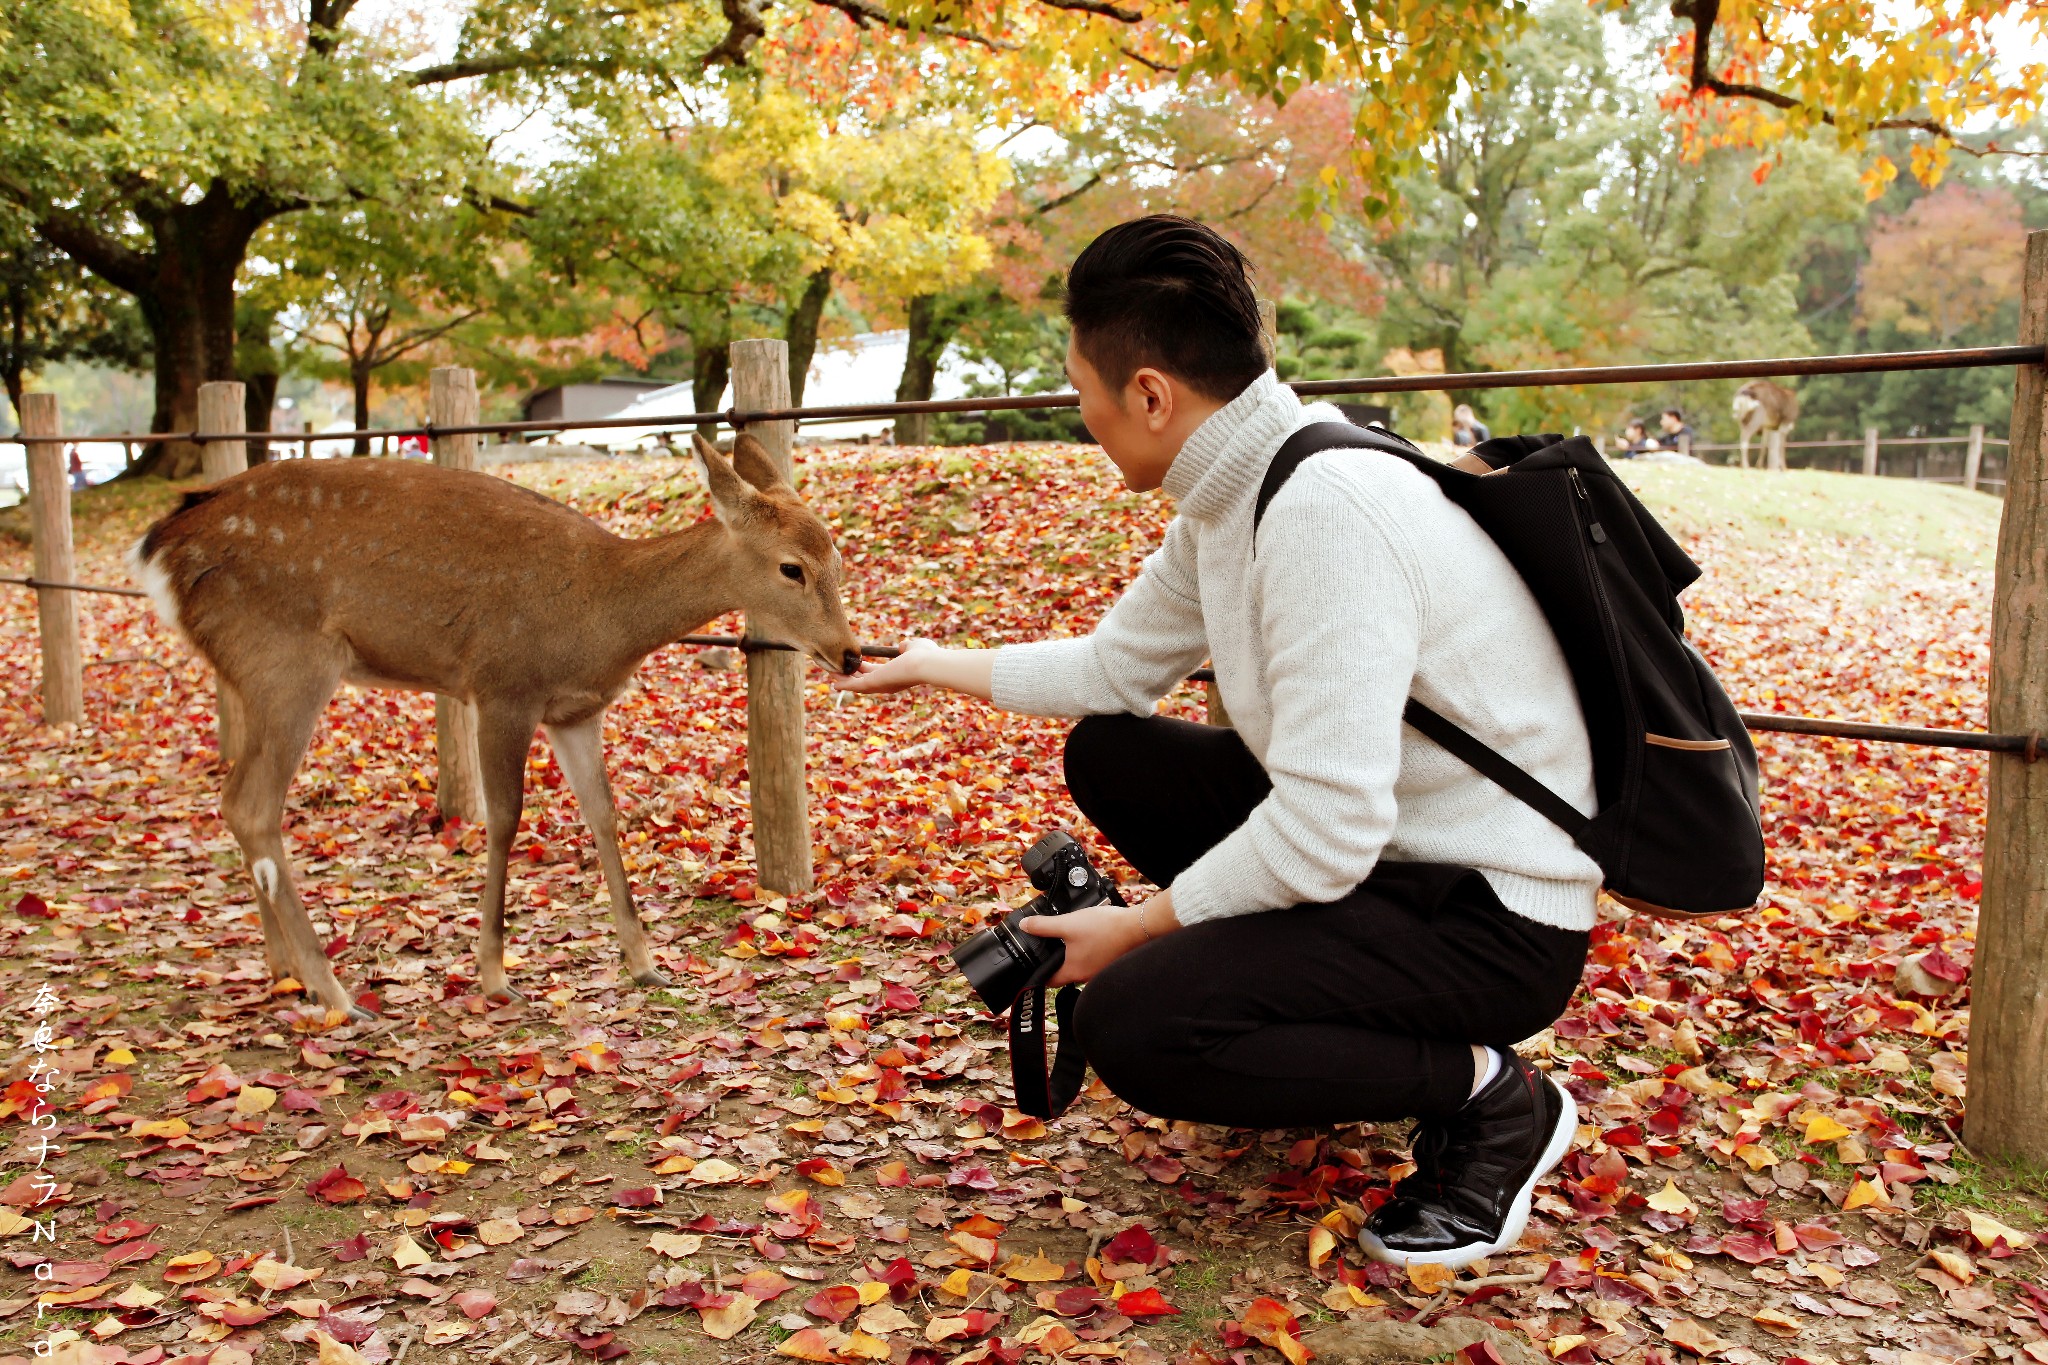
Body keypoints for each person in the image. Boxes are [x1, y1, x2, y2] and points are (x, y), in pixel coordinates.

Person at [832, 216, 1597, 1270]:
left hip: (1487, 914)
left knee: (1140, 1025)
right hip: (1394, 861)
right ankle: (1318, 1031)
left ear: (1148, 394)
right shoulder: (1230, 495)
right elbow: (1112, 672)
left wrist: (1139, 930)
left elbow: (1327, 829)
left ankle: (1494, 1104)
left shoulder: (1322, 512)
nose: (1082, 416)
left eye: (1083, 394)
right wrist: (933, 659)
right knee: (1112, 750)